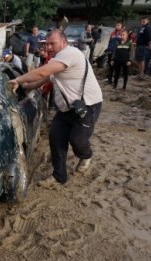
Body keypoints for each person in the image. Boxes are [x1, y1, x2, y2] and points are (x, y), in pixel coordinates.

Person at [8, 30, 103, 187]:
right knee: (56, 137)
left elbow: (42, 72)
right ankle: (59, 176)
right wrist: (21, 88)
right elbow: (39, 81)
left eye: (53, 43)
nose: (49, 46)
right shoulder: (57, 62)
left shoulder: (70, 53)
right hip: (66, 108)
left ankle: (86, 155)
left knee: (77, 141)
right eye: (47, 44)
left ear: (64, 43)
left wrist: (18, 79)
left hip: (88, 105)